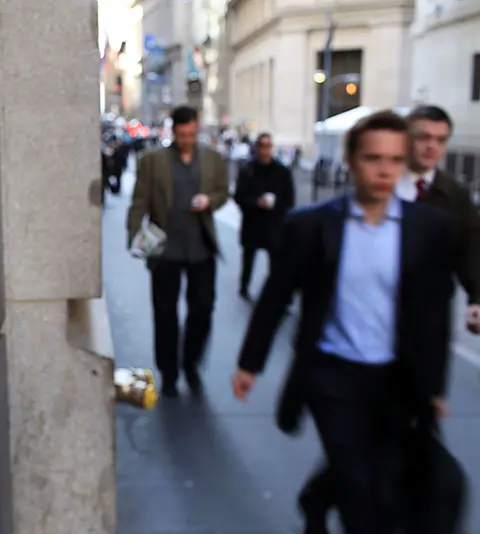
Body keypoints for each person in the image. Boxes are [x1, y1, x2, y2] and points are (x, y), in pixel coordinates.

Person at [231, 110, 458, 533]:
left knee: (382, 469)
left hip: (396, 378)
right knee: (360, 488)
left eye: (394, 159)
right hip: (331, 375)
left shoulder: (428, 229)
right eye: (374, 158)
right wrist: (249, 364)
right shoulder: (312, 226)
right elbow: (274, 298)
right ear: (351, 161)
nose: (385, 170)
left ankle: (316, 497)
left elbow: (433, 312)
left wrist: (434, 386)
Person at [296, 104, 480, 533]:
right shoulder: (375, 184)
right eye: (422, 138)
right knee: (371, 435)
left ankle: (324, 493)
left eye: (440, 140)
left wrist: (476, 296)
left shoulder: (451, 196)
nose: (431, 147)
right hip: (358, 340)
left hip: (419, 342)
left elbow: (471, 249)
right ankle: (337, 498)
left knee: (398, 434)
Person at [127, 105, 229, 398]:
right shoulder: (153, 161)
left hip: (201, 249)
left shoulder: (212, 159)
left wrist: (209, 200)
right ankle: (169, 372)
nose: (186, 139)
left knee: (203, 310)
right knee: (165, 314)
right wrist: (134, 238)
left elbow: (224, 192)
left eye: (192, 134)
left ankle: (191, 363)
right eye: (182, 134)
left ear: (198, 130)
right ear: (173, 131)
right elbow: (139, 201)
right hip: (165, 251)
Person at [234, 132, 295, 300]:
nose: (265, 150)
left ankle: (277, 294)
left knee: (276, 262)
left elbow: (289, 198)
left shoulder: (282, 172)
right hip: (253, 222)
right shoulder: (248, 170)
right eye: (262, 146)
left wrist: (281, 213)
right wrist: (255, 202)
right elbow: (239, 196)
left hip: (274, 223)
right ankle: (244, 287)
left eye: (268, 146)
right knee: (248, 259)